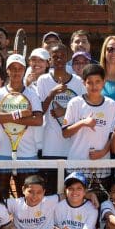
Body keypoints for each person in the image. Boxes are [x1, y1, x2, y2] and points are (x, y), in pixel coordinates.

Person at [0, 54, 44, 195]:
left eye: (19, 68)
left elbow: (38, 120)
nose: (16, 72)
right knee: (0, 198)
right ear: (7, 70)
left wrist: (6, 117)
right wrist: (20, 114)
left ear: (24, 70)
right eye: (13, 68)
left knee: (26, 198)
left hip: (27, 153)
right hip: (2, 153)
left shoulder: (32, 94)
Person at [36, 43, 84, 187]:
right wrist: (52, 93)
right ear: (50, 60)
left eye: (62, 56)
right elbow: (40, 111)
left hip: (72, 147)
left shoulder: (78, 81)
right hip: (50, 146)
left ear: (67, 57)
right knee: (50, 189)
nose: (59, 59)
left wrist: (65, 111)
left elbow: (83, 111)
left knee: (70, 189)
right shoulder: (43, 80)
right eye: (55, 57)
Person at [62, 64, 115, 165]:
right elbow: (65, 133)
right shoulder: (75, 103)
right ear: (84, 83)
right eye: (89, 82)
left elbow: (113, 134)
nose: (94, 86)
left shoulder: (111, 104)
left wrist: (103, 152)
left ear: (104, 82)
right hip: (76, 164)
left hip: (102, 165)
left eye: (98, 81)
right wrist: (82, 123)